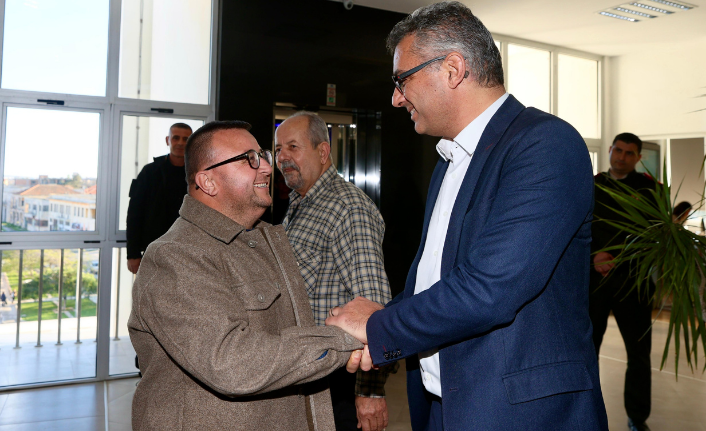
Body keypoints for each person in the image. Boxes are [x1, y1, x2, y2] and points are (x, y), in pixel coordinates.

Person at [326, 2, 608, 430]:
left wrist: (379, 327)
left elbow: (490, 288)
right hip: (444, 407)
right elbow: (435, 282)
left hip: (518, 414)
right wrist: (382, 328)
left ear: (453, 69)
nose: (396, 98)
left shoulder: (547, 144)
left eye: (402, 80)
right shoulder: (450, 160)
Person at [128, 120, 364, 431]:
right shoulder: (174, 256)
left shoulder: (263, 239)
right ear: (208, 182)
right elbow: (232, 362)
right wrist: (349, 337)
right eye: (249, 159)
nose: (267, 167)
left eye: (263, 155)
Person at [275, 112, 392, 431]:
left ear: (323, 152)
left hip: (337, 383)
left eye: (293, 147)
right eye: (279, 149)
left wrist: (370, 392)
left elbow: (374, 307)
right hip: (302, 372)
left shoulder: (348, 209)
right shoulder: (300, 204)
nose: (282, 157)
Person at [590, 133, 656, 431]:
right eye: (618, 150)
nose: (622, 157)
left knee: (639, 355)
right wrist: (595, 254)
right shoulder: (592, 184)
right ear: (610, 150)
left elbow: (653, 234)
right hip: (594, 281)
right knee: (587, 349)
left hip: (634, 281)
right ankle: (585, 410)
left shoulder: (650, 190)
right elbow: (578, 223)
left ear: (639, 158)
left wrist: (616, 256)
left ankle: (637, 418)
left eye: (630, 153)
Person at [126, 123, 193, 275]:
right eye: (176, 138)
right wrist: (133, 254)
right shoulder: (150, 172)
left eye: (186, 139)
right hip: (153, 250)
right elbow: (134, 214)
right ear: (167, 140)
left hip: (188, 251)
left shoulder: (197, 173)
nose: (180, 143)